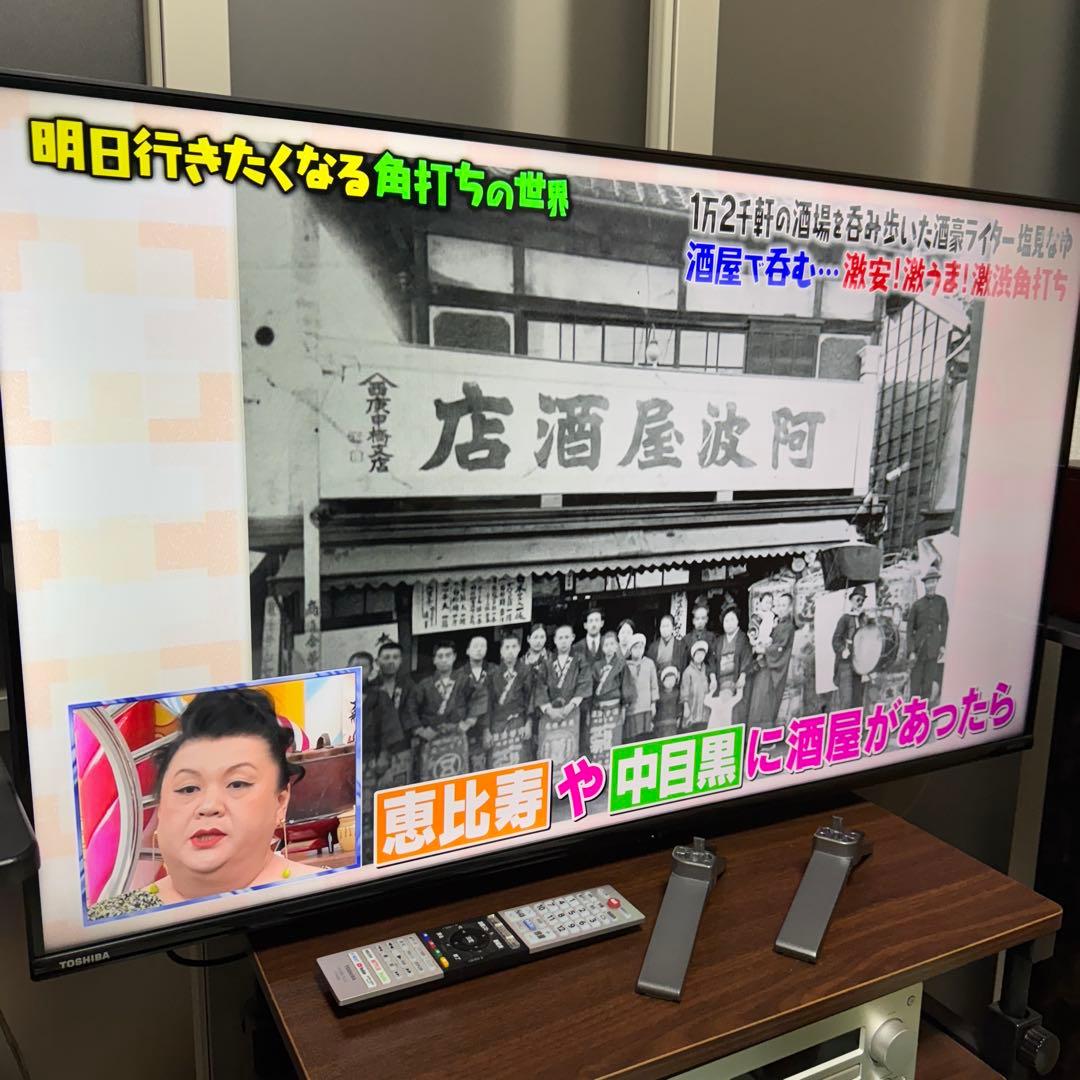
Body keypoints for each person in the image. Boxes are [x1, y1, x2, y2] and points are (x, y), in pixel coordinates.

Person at [87, 689, 324, 919]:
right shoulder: (110, 919)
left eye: (237, 784)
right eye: (188, 788)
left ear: (280, 801)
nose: (208, 806)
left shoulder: (323, 894)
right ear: (160, 808)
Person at [747, 593, 796, 727]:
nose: (780, 608)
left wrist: (764, 650)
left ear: (790, 607)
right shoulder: (777, 624)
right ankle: (756, 734)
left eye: (784, 605)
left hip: (772, 670)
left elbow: (780, 648)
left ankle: (764, 734)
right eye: (778, 605)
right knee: (757, 701)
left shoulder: (788, 627)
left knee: (764, 703)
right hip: (765, 666)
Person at [414, 642, 477, 744]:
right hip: (431, 736)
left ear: (454, 657)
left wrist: (469, 721)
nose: (444, 660)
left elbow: (477, 699)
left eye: (448, 655)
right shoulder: (424, 684)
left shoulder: (465, 680)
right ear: (434, 660)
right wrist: (419, 730)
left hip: (457, 734)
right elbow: (411, 707)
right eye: (440, 656)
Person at [484, 633, 533, 763]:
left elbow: (530, 698)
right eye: (507, 647)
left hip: (519, 723)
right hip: (497, 725)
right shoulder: (492, 674)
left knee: (520, 762)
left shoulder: (526, 671)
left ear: (519, 648)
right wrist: (486, 730)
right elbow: (487, 703)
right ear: (501, 650)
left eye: (514, 647)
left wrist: (528, 723)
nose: (510, 651)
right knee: (499, 763)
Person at [535, 625, 592, 726]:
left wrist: (570, 706)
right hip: (551, 714)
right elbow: (540, 686)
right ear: (555, 640)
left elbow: (584, 683)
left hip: (574, 710)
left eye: (566, 637)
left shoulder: (580, 659)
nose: (563, 641)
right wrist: (549, 710)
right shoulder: (547, 662)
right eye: (560, 638)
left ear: (573, 637)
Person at [587, 631, 633, 754]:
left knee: (613, 738)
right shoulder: (596, 666)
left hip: (614, 707)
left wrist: (624, 707)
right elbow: (592, 688)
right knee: (598, 739)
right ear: (602, 648)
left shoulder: (621, 664)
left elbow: (626, 686)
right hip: (598, 708)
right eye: (606, 645)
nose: (609, 647)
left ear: (616, 645)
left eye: (612, 644)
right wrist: (589, 707)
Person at [908, 568, 949, 700]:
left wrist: (942, 645)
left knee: (928, 684)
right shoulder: (917, 605)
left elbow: (945, 624)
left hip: (933, 650)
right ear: (925, 584)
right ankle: (913, 710)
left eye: (933, 582)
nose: (931, 585)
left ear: (936, 582)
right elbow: (910, 630)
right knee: (915, 684)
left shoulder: (941, 602)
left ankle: (924, 709)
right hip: (919, 650)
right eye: (928, 582)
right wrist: (911, 650)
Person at [371, 641, 419, 753]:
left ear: (401, 660)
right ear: (377, 661)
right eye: (386, 657)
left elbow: (411, 711)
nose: (391, 661)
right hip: (376, 742)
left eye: (395, 657)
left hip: (403, 740)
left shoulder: (408, 685)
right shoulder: (370, 686)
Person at [713, 605, 752, 726]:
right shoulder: (719, 641)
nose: (729, 623)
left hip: (737, 681)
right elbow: (713, 661)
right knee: (721, 716)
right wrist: (713, 678)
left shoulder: (743, 638)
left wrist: (743, 675)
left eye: (732, 620)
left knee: (736, 714)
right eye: (726, 621)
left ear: (737, 621)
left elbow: (747, 657)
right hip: (721, 683)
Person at [831, 586, 867, 709]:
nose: (860, 602)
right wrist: (843, 650)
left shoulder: (864, 619)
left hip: (859, 664)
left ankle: (856, 721)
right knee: (846, 700)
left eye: (862, 600)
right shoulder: (845, 618)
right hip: (845, 663)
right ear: (851, 600)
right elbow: (835, 640)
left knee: (857, 699)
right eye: (858, 599)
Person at [462, 634, 493, 770]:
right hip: (467, 728)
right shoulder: (459, 674)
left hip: (490, 725)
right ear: (467, 650)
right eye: (475, 646)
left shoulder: (494, 671)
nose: (479, 649)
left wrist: (487, 729)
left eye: (482, 646)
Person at [624, 633, 659, 742]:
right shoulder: (626, 665)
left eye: (641, 647)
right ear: (630, 650)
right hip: (631, 709)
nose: (638, 650)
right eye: (635, 648)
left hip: (646, 707)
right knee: (631, 737)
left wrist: (653, 704)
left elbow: (654, 685)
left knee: (644, 737)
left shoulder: (649, 663)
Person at [685, 602, 718, 695]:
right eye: (697, 618)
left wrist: (713, 678)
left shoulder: (711, 637)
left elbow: (712, 660)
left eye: (703, 618)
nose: (700, 621)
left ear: (706, 620)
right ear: (693, 621)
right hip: (690, 679)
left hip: (706, 678)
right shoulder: (686, 639)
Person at [680, 639, 712, 731]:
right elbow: (684, 691)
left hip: (704, 707)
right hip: (692, 706)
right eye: (697, 654)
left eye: (702, 654)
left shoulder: (707, 669)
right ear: (693, 655)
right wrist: (686, 706)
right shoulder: (688, 671)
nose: (700, 656)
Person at [655, 666, 682, 738]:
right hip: (660, 724)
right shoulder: (659, 694)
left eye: (672, 680)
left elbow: (679, 706)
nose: (670, 683)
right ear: (663, 681)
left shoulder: (677, 693)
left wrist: (678, 717)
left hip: (672, 723)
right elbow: (656, 707)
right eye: (667, 680)